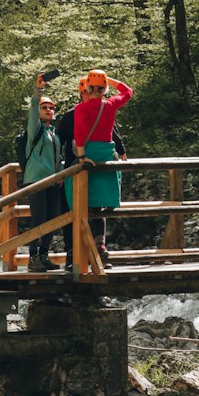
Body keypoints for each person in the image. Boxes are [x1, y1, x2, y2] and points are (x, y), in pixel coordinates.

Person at [66, 69, 133, 260]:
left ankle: (81, 248)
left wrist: (81, 157)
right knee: (99, 207)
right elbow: (128, 91)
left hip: (90, 156)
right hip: (107, 156)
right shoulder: (110, 105)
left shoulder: (81, 109)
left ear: (87, 87)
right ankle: (100, 244)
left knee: (81, 199)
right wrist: (108, 81)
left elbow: (79, 134)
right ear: (103, 90)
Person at [23, 74, 61, 271]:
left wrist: (61, 174)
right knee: (38, 218)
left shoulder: (53, 134)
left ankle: (44, 255)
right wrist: (39, 91)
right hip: (36, 180)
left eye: (51, 108)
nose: (48, 110)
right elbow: (33, 107)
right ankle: (32, 258)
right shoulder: (35, 129)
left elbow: (56, 158)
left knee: (52, 218)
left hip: (53, 181)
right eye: (45, 107)